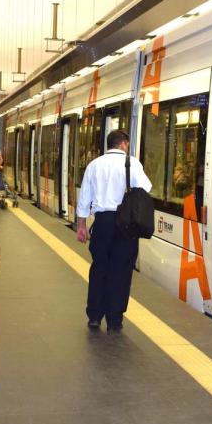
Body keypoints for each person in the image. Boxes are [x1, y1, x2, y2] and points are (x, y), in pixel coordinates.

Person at [75, 129, 152, 332]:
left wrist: (81, 225)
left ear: (109, 144)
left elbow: (84, 197)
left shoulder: (94, 165)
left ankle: (94, 315)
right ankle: (114, 319)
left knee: (99, 268)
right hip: (125, 224)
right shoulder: (132, 163)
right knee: (121, 271)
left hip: (102, 222)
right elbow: (146, 187)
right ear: (124, 144)